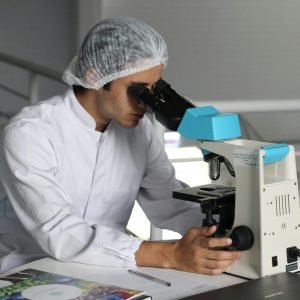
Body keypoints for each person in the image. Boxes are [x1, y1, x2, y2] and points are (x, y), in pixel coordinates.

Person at [0, 16, 240, 274]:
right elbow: (60, 232)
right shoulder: (31, 132)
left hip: (109, 268)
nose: (145, 103)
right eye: (138, 91)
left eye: (153, 91)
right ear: (96, 75)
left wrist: (222, 231)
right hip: (29, 269)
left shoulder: (140, 133)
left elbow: (169, 204)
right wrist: (170, 254)